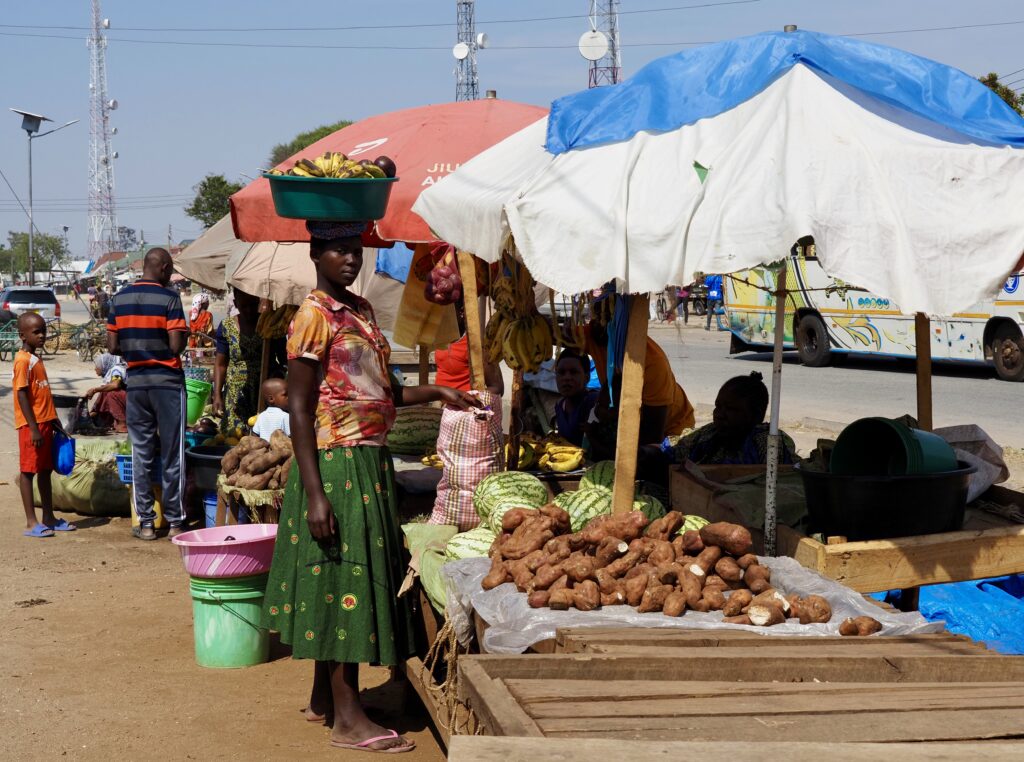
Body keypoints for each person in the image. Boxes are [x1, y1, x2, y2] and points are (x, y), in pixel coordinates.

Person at [263, 221, 482, 753]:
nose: (349, 258)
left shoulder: (358, 311)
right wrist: (315, 494)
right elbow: (298, 407)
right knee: (345, 583)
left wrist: (438, 392)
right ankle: (347, 718)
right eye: (338, 249)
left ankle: (324, 698)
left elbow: (380, 392)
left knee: (336, 578)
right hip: (336, 467)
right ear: (316, 254)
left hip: (369, 462)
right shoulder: (312, 316)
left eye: (354, 249)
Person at [107, 248, 188, 541]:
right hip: (167, 383)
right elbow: (177, 345)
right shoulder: (170, 298)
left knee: (140, 454)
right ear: (164, 268)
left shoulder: (119, 299)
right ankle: (176, 522)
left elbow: (113, 346)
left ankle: (146, 524)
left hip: (137, 384)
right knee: (172, 453)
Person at [585, 319, 696, 459]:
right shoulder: (596, 335)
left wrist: (594, 440)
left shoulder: (653, 363)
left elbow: (652, 439)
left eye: (605, 315)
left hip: (670, 433)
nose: (595, 322)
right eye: (595, 312)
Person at [14, 313, 76, 537]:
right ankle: (31, 522)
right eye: (36, 332)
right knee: (28, 472)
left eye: (43, 331)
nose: (42, 336)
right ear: (23, 335)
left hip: (45, 423)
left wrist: (54, 420)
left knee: (45, 471)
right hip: (32, 426)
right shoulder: (22, 361)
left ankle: (48, 517)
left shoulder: (36, 359)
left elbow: (42, 394)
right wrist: (32, 427)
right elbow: (21, 394)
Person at [670, 372, 796, 466]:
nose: (719, 414)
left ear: (756, 415)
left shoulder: (768, 442)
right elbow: (675, 455)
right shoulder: (708, 435)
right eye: (718, 407)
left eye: (731, 409)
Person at [212, 289, 284, 436]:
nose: (249, 310)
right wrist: (217, 395)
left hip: (265, 393)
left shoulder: (268, 325)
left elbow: (284, 359)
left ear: (259, 302)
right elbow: (220, 364)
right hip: (236, 395)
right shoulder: (226, 326)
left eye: (253, 305)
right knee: (235, 435)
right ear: (235, 303)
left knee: (265, 437)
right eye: (244, 306)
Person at [552, 348, 599, 447]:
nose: (566, 378)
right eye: (561, 372)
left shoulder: (595, 403)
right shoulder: (560, 405)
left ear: (587, 378)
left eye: (573, 372)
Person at [85, 352, 128, 432]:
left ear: (105, 364)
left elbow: (115, 385)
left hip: (131, 400)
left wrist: (95, 390)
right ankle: (97, 415)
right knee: (105, 391)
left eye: (97, 366)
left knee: (112, 394)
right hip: (128, 399)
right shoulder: (113, 371)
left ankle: (122, 424)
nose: (95, 369)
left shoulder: (116, 369)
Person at [187, 292, 214, 357]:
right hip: (204, 343)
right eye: (207, 302)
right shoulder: (208, 315)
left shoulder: (191, 313)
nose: (208, 304)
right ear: (203, 304)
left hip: (193, 343)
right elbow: (209, 331)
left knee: (194, 360)